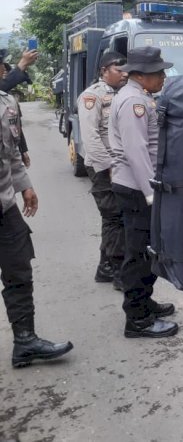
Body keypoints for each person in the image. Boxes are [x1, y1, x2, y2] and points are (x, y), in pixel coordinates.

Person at [0, 58, 73, 367]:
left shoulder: (6, 102)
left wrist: (24, 185)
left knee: (19, 269)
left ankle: (25, 341)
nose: (3, 71)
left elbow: (11, 150)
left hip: (4, 205)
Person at [109, 47, 178, 338]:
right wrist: (151, 192)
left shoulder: (140, 97)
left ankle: (143, 302)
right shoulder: (133, 101)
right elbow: (136, 150)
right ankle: (137, 319)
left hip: (139, 185)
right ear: (140, 75)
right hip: (138, 187)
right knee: (139, 252)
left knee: (147, 249)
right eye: (158, 72)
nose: (163, 76)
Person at [77, 51, 128, 287]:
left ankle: (105, 268)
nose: (124, 74)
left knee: (115, 218)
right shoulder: (92, 96)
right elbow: (90, 137)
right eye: (119, 69)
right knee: (114, 217)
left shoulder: (125, 94)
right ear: (104, 71)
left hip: (120, 166)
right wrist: (108, 167)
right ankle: (118, 272)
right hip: (103, 168)